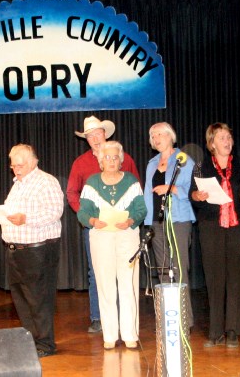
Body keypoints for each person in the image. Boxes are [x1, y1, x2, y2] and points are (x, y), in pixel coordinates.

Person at [67, 115, 141, 334]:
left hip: (123, 226)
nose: (95, 138)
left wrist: (130, 218)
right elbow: (72, 192)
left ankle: (125, 319)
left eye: (97, 133)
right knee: (96, 271)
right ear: (86, 140)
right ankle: (98, 317)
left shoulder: (124, 158)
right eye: (90, 136)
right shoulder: (80, 163)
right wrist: (86, 216)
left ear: (105, 134)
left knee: (125, 271)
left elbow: (136, 186)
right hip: (96, 227)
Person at [77, 141, 147, 349]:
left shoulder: (132, 181)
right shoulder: (91, 183)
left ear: (121, 160)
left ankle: (130, 334)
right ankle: (109, 335)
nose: (111, 161)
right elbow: (83, 212)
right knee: (105, 284)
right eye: (106, 157)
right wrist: (92, 221)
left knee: (129, 283)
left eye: (115, 157)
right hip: (101, 236)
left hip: (127, 235)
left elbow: (141, 209)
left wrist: (130, 220)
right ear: (100, 161)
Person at [0, 144, 64, 358]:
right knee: (21, 299)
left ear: (34, 162)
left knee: (39, 299)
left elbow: (55, 212)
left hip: (38, 250)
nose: (16, 169)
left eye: (21, 165)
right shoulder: (17, 184)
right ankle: (30, 341)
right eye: (13, 165)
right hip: (15, 249)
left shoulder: (46, 181)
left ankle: (45, 343)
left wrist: (26, 219)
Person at [189, 123, 240, 348]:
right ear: (212, 143)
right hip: (211, 228)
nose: (227, 141)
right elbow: (191, 195)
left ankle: (233, 330)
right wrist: (196, 194)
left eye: (229, 137)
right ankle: (216, 331)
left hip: (237, 228)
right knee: (214, 279)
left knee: (236, 278)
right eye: (222, 138)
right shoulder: (201, 168)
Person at [142, 122, 196, 326]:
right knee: (163, 270)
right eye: (153, 136)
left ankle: (185, 320)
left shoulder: (183, 160)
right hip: (156, 222)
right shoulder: (151, 163)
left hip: (178, 221)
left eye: (160, 134)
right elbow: (148, 193)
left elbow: (192, 189)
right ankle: (170, 319)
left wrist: (171, 188)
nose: (156, 138)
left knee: (179, 269)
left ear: (171, 136)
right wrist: (147, 220)